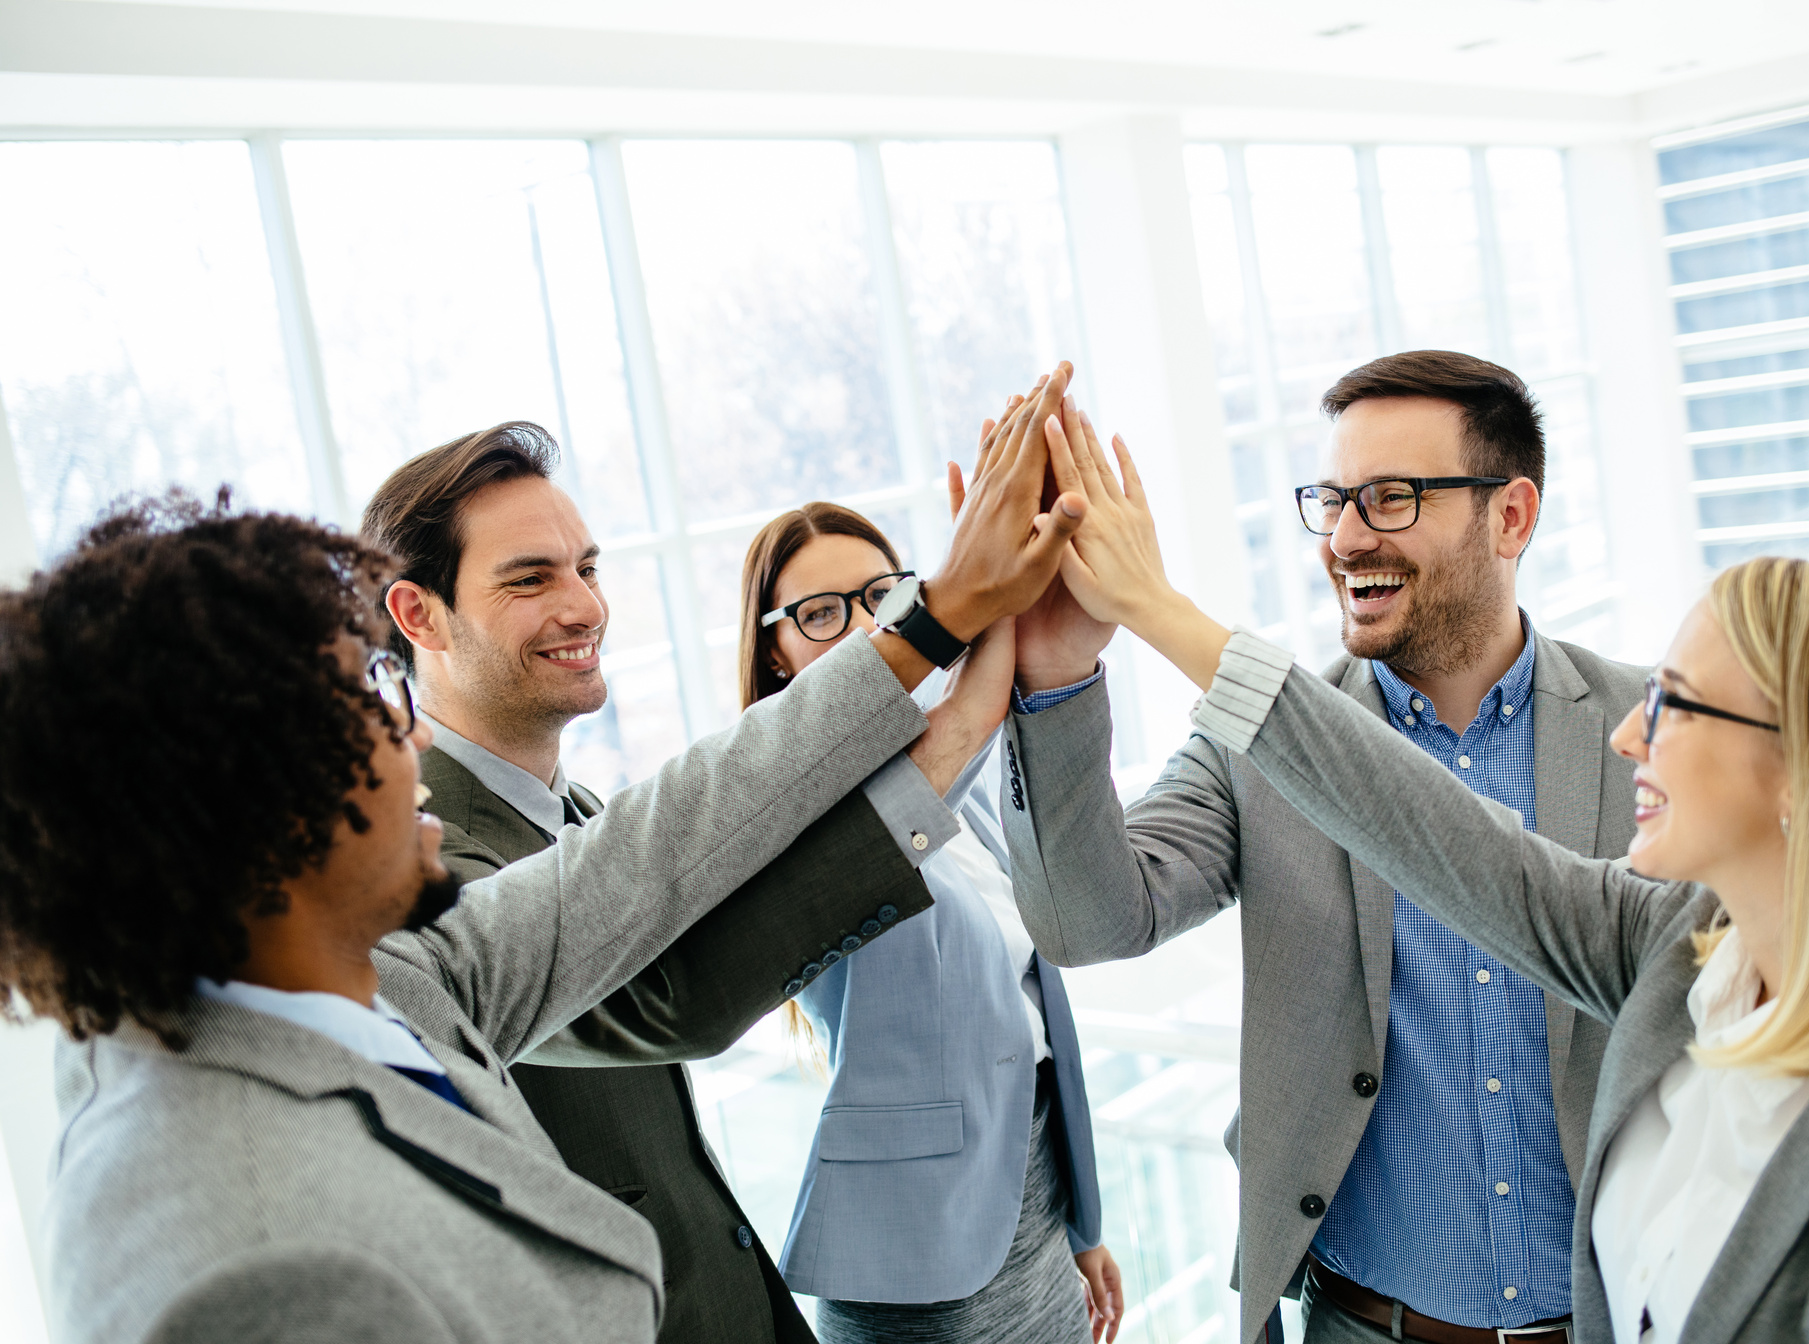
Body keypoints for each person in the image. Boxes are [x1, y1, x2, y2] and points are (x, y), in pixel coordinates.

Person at [3, 362, 1089, 1344]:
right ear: (249, 800)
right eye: (369, 702)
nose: (410, 733)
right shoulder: (238, 1249)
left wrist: (945, 621)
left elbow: (662, 841)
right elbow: (669, 978)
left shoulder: (406, 976)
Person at [1032, 405, 1809, 1341]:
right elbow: (1432, 832)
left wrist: (1158, 606)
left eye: (1676, 706)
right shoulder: (1679, 948)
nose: (1638, 734)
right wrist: (1124, 631)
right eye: (1336, 500)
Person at [1001, 354, 1641, 1344]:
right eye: (1332, 501)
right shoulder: (1259, 754)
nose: (1345, 539)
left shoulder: (1646, 732)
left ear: (1511, 516)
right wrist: (1055, 672)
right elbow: (1086, 921)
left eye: (1390, 499)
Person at [360, 420, 986, 1344]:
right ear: (417, 616)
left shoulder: (573, 813)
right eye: (530, 578)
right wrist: (955, 659)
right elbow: (669, 994)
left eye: (588, 568)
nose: (584, 607)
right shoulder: (415, 870)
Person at [738, 496, 1123, 1344]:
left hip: (1033, 1205)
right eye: (819, 614)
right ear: (775, 646)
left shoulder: (969, 798)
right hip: (918, 1256)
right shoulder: (780, 806)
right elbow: (965, 731)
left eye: (883, 598)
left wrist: (1079, 1224)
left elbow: (1035, 1019)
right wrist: (988, 602)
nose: (860, 631)